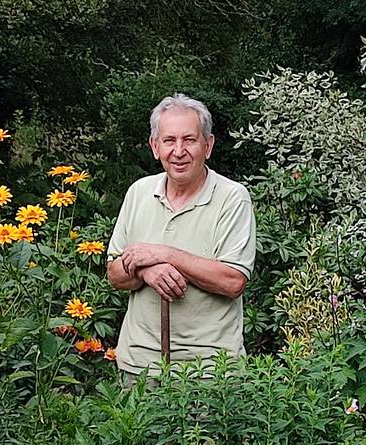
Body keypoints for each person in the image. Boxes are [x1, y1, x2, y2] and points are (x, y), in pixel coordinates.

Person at [106, 94, 256, 385]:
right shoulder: (138, 193)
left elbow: (232, 281)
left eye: (189, 140)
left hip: (210, 370)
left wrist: (166, 254)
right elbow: (114, 274)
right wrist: (146, 270)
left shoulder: (232, 198)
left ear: (207, 146)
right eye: (169, 140)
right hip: (139, 365)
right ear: (155, 147)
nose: (178, 151)